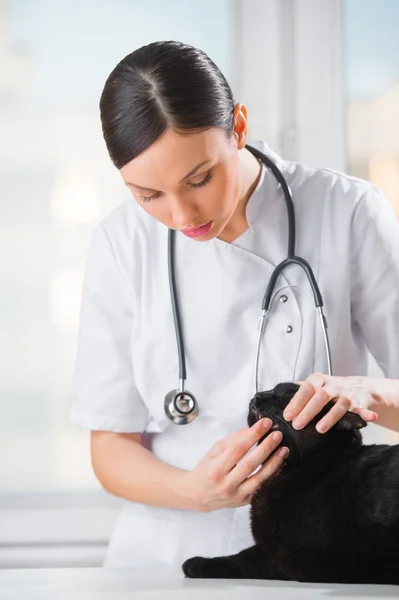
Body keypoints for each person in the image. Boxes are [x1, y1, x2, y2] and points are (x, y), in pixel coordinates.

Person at [69, 41, 399, 572]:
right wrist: (196, 490)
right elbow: (109, 445)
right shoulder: (121, 241)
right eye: (148, 194)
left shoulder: (347, 212)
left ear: (239, 126)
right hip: (161, 559)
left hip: (317, 556)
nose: (181, 214)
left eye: (199, 178)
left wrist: (367, 392)